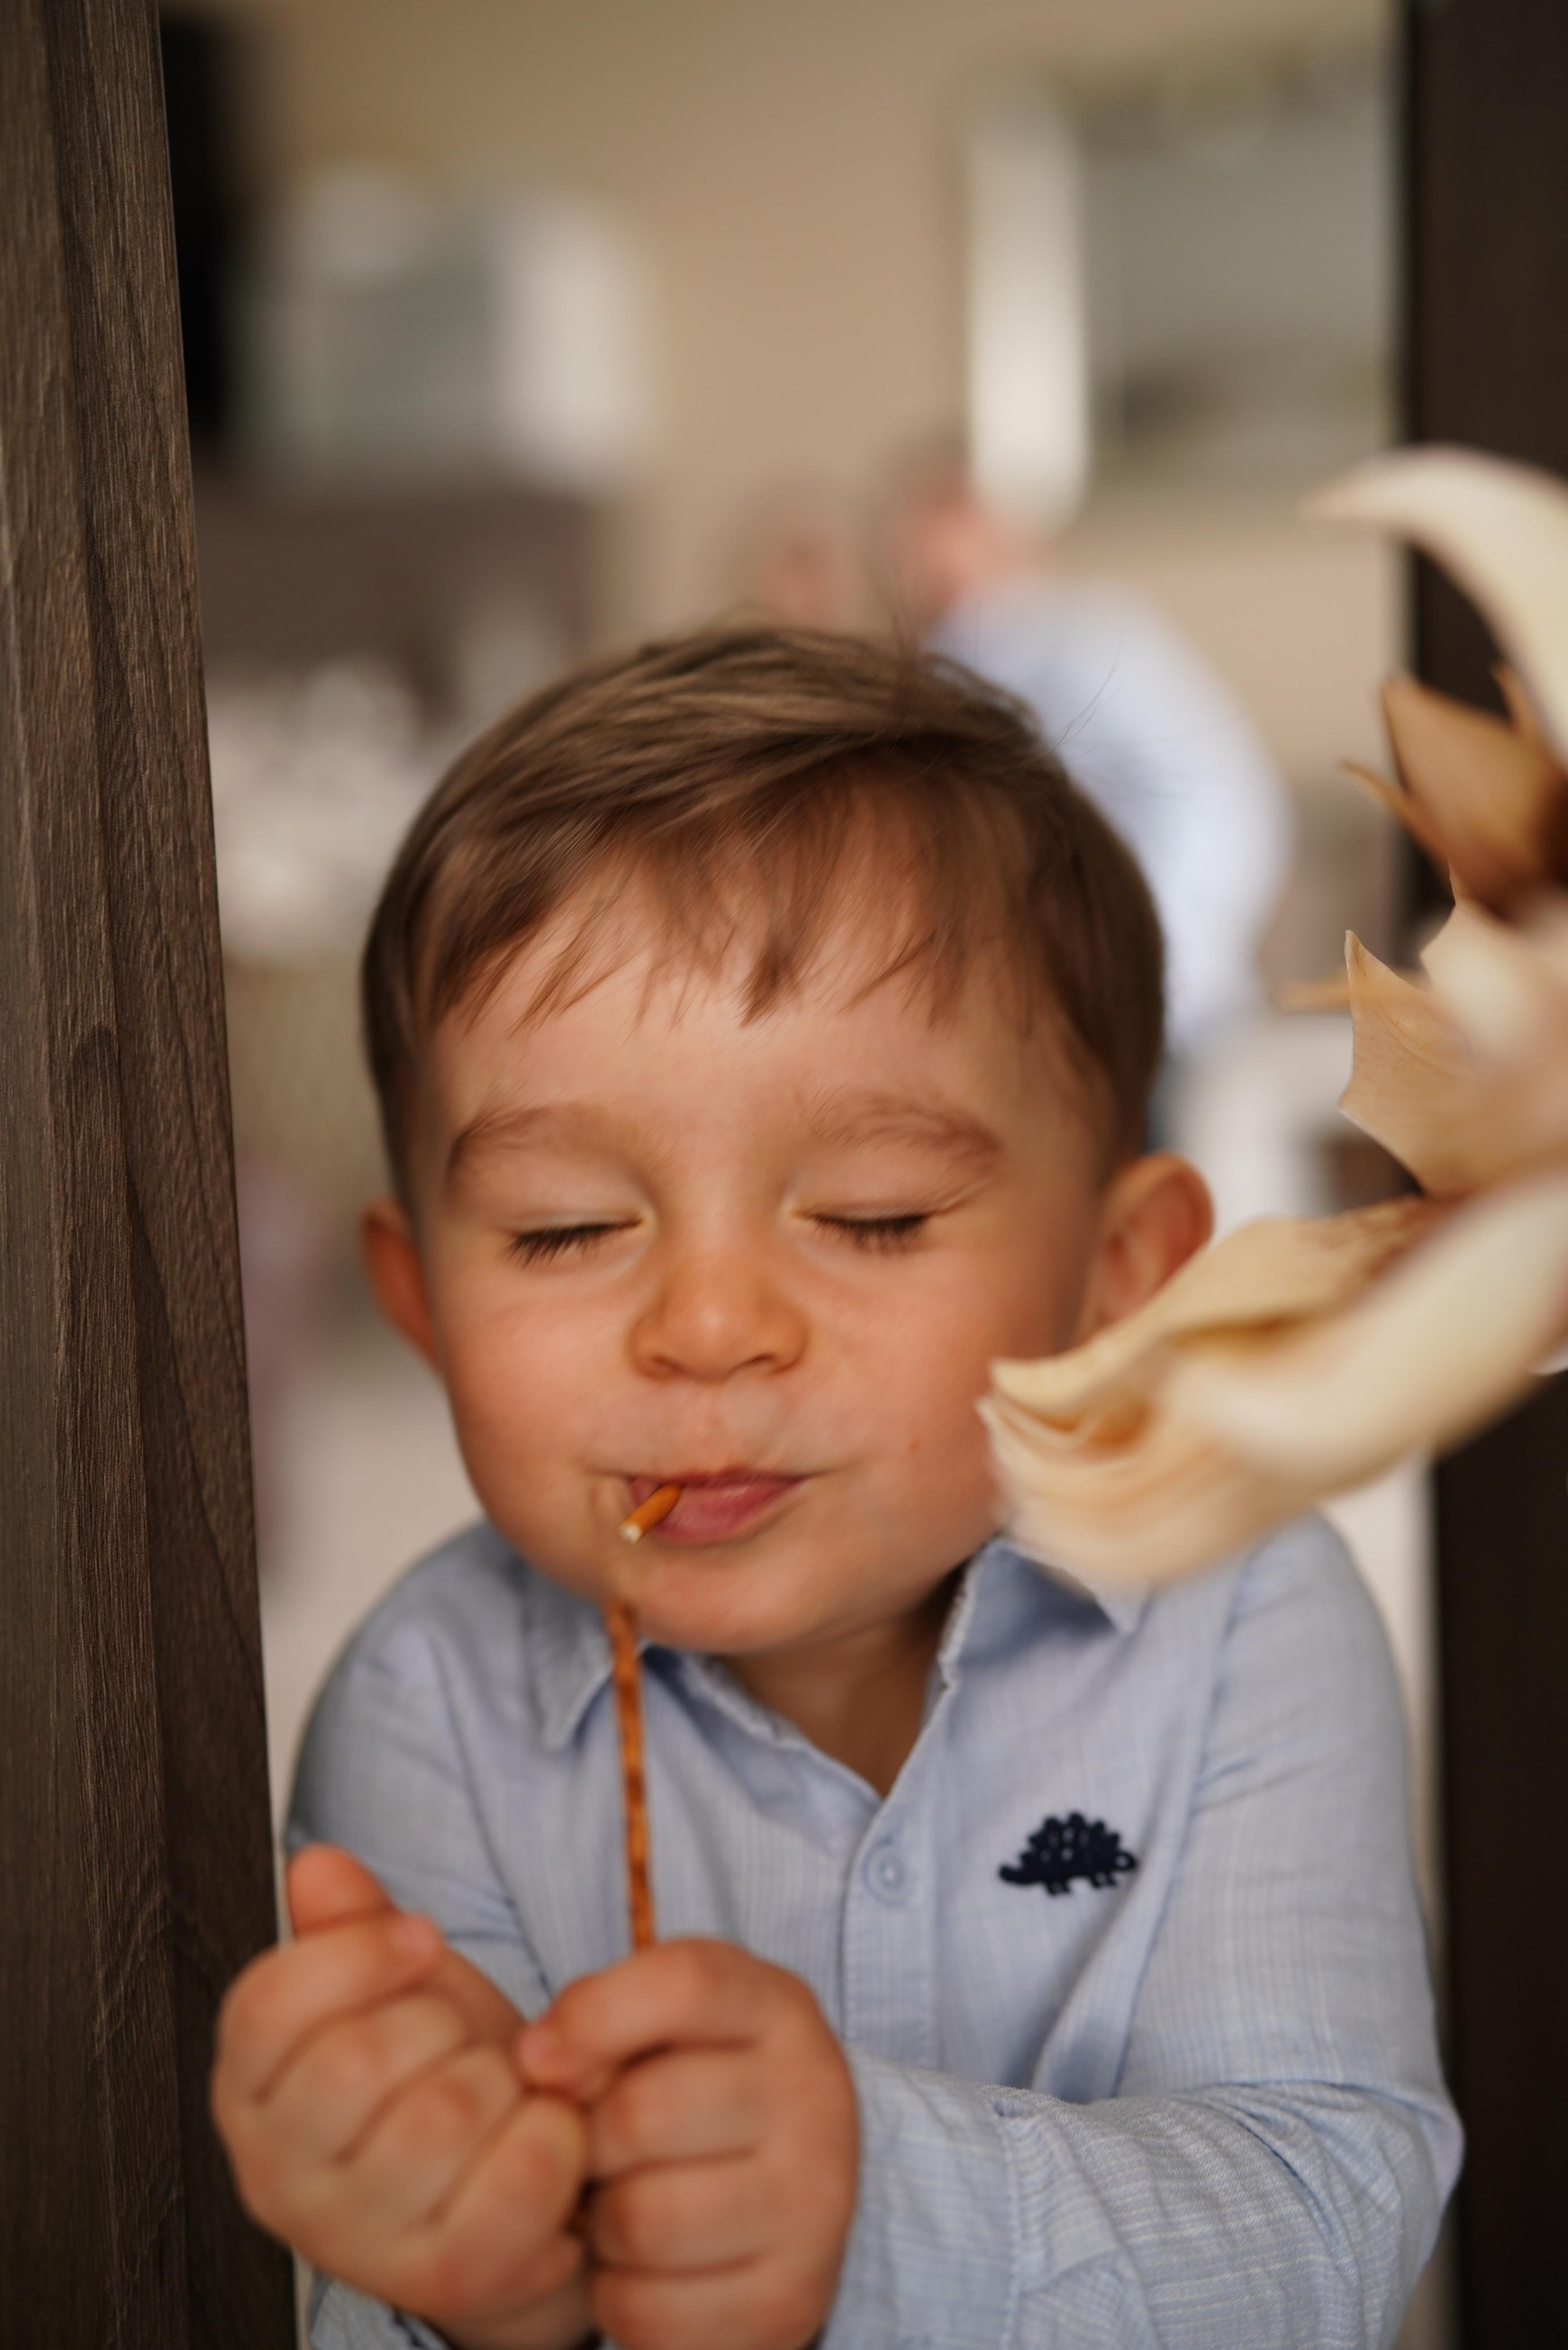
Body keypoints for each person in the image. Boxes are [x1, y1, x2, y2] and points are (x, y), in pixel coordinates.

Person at [210, 628, 1457, 2350]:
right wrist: (485, 2270)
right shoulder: (424, 1708)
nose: (707, 1327)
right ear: (419, 1301)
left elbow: (1327, 2214)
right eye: (567, 1227)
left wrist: (866, 2197)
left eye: (872, 1211)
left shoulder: (1242, 1603)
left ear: (1118, 1276)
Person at [879, 456, 1292, 1064]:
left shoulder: (1078, 641)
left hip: (1140, 1004)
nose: (918, 564)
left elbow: (1225, 801)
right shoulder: (950, 662)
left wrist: (1140, 953)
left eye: (935, 537)